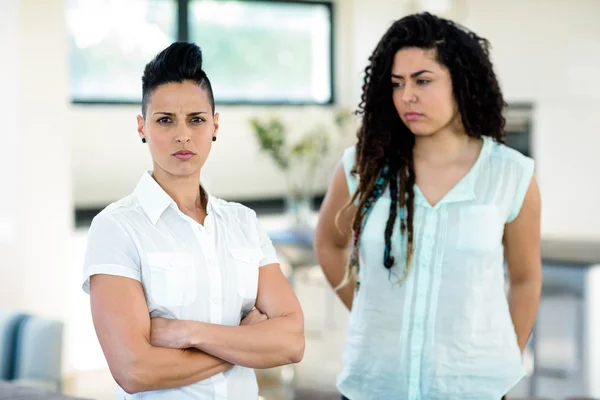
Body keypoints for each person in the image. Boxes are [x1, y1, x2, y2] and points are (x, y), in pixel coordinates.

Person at [315, 12, 541, 400]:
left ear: (462, 83)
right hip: (375, 384)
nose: (407, 96)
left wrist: (497, 363)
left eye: (423, 81)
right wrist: (375, 314)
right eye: (397, 83)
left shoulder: (510, 174)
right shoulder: (362, 166)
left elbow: (524, 280)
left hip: (473, 388)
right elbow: (329, 244)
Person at [82, 42, 304, 399]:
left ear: (215, 125)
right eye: (165, 120)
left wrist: (188, 333)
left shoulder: (243, 223)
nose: (182, 134)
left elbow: (291, 342)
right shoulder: (116, 229)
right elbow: (133, 369)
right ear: (142, 127)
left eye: (196, 120)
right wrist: (245, 341)